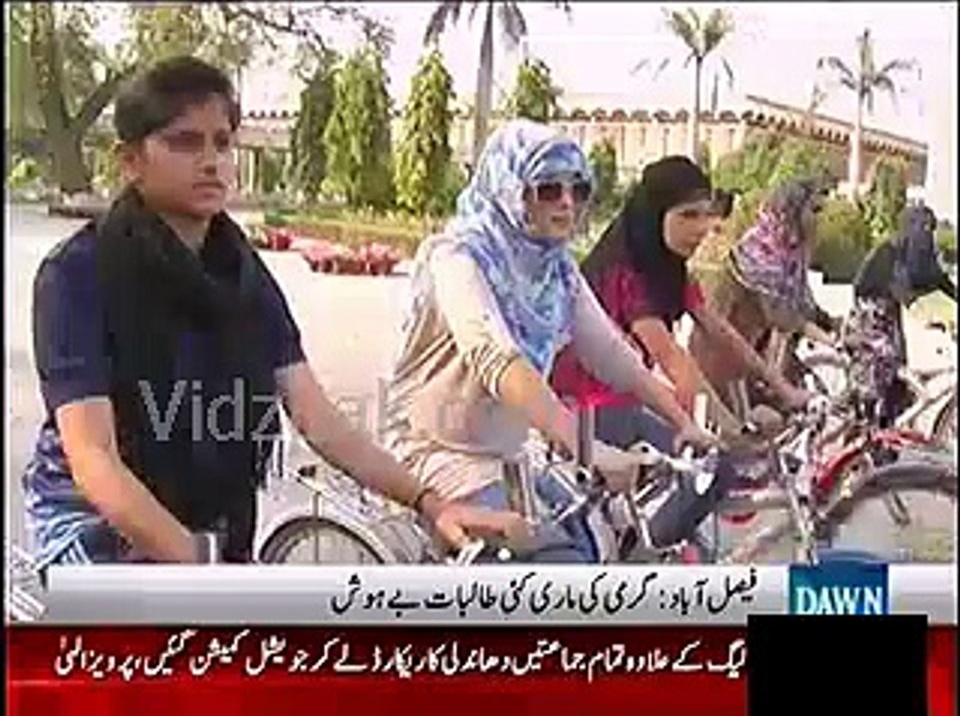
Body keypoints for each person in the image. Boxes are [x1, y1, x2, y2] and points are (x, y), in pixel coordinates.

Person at [24, 56, 521, 569]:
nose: (212, 161)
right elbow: (94, 460)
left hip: (210, 515)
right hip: (94, 520)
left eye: (222, 143)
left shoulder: (240, 273)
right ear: (130, 161)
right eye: (185, 142)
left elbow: (316, 417)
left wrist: (430, 503)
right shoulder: (77, 274)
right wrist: (202, 570)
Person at [381, 121, 716, 563]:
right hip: (439, 452)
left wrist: (682, 421)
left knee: (606, 542)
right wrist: (587, 448)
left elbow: (611, 355)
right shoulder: (458, 258)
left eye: (579, 190)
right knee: (560, 565)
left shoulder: (555, 268)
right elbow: (496, 360)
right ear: (509, 189)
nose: (567, 203)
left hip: (512, 453)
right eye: (548, 189)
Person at [552, 157, 812, 449]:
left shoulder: (668, 266)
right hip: (585, 414)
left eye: (706, 215)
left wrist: (783, 388)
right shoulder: (625, 271)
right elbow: (671, 358)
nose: (702, 228)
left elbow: (719, 330)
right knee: (705, 464)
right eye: (688, 215)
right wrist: (730, 433)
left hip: (627, 400)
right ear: (655, 215)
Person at [690, 178, 831, 421]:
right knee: (742, 431)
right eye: (814, 210)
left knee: (782, 419)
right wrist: (830, 342)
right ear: (792, 210)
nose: (819, 220)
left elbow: (803, 304)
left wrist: (834, 325)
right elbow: (781, 314)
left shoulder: (788, 252)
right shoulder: (761, 251)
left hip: (750, 356)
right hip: (722, 355)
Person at [844, 203, 957, 425]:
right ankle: (868, 421)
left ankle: (891, 421)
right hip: (869, 313)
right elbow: (902, 291)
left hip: (889, 313)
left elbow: (940, 281)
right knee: (885, 362)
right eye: (924, 227)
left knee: (899, 371)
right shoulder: (888, 252)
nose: (928, 234)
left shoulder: (919, 254)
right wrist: (928, 317)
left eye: (930, 228)